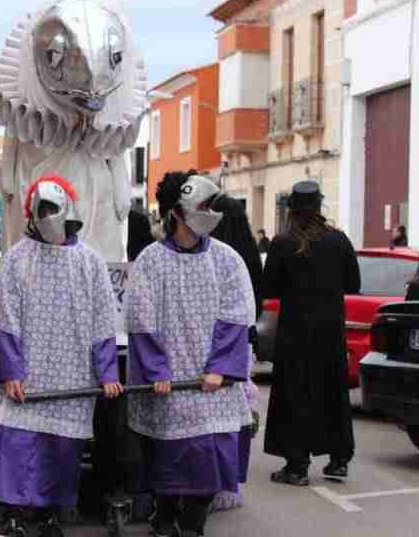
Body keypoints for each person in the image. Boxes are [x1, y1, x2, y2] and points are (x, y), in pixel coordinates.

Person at [0, 175, 121, 537]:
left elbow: (104, 322)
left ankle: (49, 516)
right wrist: (10, 370)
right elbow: (6, 319)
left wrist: (107, 374)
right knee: (18, 445)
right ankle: (16, 518)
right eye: (39, 212)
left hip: (71, 376)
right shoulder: (17, 258)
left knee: (61, 450)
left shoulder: (89, 262)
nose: (46, 218)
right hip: (25, 375)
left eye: (51, 210)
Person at [126, 172, 255, 537]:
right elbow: (141, 318)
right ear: (179, 214)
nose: (209, 212)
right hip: (169, 382)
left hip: (211, 383)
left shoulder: (227, 260)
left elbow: (235, 316)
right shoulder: (150, 261)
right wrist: (156, 371)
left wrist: (221, 369)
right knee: (167, 460)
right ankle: (164, 516)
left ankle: (193, 521)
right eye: (202, 206)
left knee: (209, 457)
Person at [263, 180, 360, 486]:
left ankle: (297, 465)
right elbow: (353, 284)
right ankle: (338, 460)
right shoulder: (339, 240)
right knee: (333, 392)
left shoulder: (282, 242)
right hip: (330, 331)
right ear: (320, 206)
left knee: (296, 394)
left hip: (295, 333)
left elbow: (270, 288)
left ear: (291, 209)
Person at [209, 194, 264, 509]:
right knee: (235, 409)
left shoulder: (217, 257)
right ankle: (228, 482)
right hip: (244, 340)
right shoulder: (246, 254)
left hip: (220, 338)